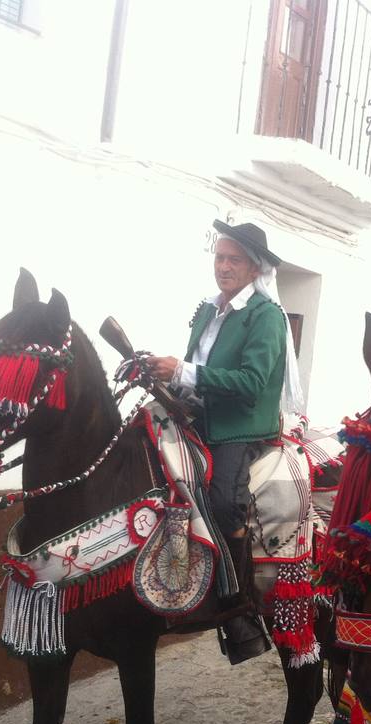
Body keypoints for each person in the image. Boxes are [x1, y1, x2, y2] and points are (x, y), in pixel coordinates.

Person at [143, 221, 304, 664]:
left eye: (234, 260)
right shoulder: (208, 311)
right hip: (201, 420)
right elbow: (196, 372)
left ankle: (238, 603)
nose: (224, 266)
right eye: (219, 257)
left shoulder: (266, 316)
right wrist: (164, 376)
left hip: (242, 428)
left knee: (223, 501)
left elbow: (251, 383)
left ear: (255, 269)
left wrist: (183, 371)